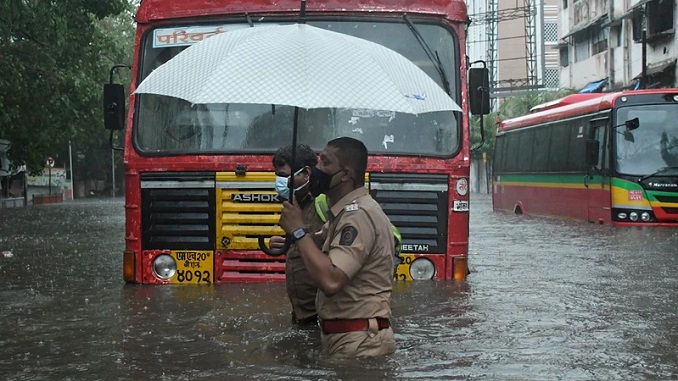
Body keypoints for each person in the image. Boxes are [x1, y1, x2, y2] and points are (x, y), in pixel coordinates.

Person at [279, 137, 396, 358]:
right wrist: (295, 236)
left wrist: (298, 231)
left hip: (360, 344)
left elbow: (332, 280)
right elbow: (317, 243)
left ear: (345, 175)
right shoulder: (342, 214)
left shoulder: (358, 216)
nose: (317, 169)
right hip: (349, 339)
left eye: (325, 163)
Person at [269, 144, 325, 327]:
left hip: (324, 314)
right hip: (302, 314)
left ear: (307, 173)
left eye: (285, 177)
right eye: (277, 177)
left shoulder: (324, 202)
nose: (279, 182)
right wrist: (287, 244)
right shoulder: (294, 205)